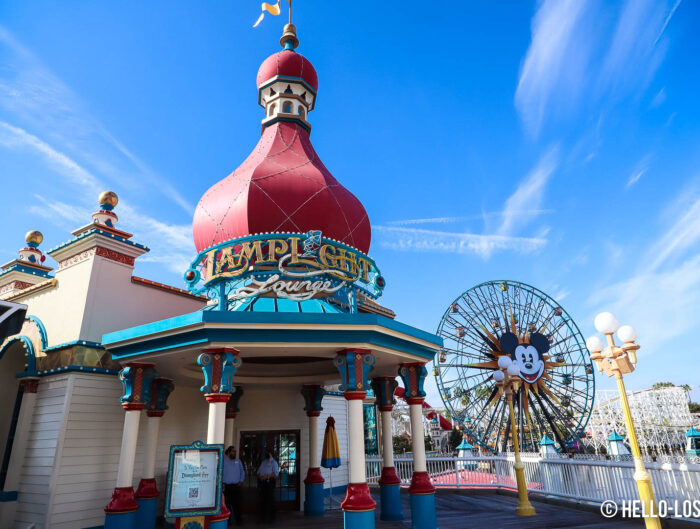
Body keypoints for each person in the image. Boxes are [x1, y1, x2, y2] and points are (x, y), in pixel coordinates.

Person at [223, 445, 245, 526]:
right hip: (227, 487)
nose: (235, 453)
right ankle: (228, 522)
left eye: (235, 451)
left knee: (237, 504)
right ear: (229, 452)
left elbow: (242, 471)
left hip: (236, 486)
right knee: (227, 505)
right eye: (233, 451)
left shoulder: (238, 461)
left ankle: (239, 521)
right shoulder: (223, 461)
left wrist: (241, 481)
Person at [256, 450, 279, 523]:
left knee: (269, 500)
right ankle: (262, 517)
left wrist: (267, 476)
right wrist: (260, 476)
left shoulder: (274, 463)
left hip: (269, 483)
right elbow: (258, 472)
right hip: (262, 483)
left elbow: (276, 474)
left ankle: (270, 518)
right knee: (262, 500)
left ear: (271, 454)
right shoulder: (263, 462)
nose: (266, 454)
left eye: (268, 453)